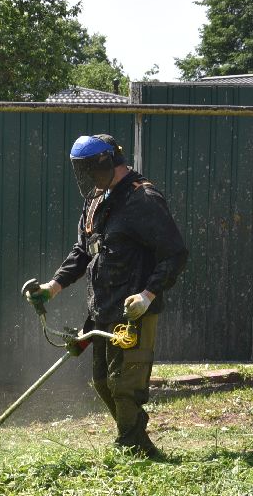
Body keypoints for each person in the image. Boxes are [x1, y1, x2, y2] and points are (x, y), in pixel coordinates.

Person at [22, 134, 188, 456]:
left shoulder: (143, 199)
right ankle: (136, 442)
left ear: (107, 163)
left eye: (88, 169)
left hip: (133, 312)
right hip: (102, 309)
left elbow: (175, 254)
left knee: (124, 385)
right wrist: (52, 288)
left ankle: (133, 447)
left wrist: (148, 295)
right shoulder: (97, 199)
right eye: (79, 169)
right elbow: (84, 250)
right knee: (102, 381)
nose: (84, 177)